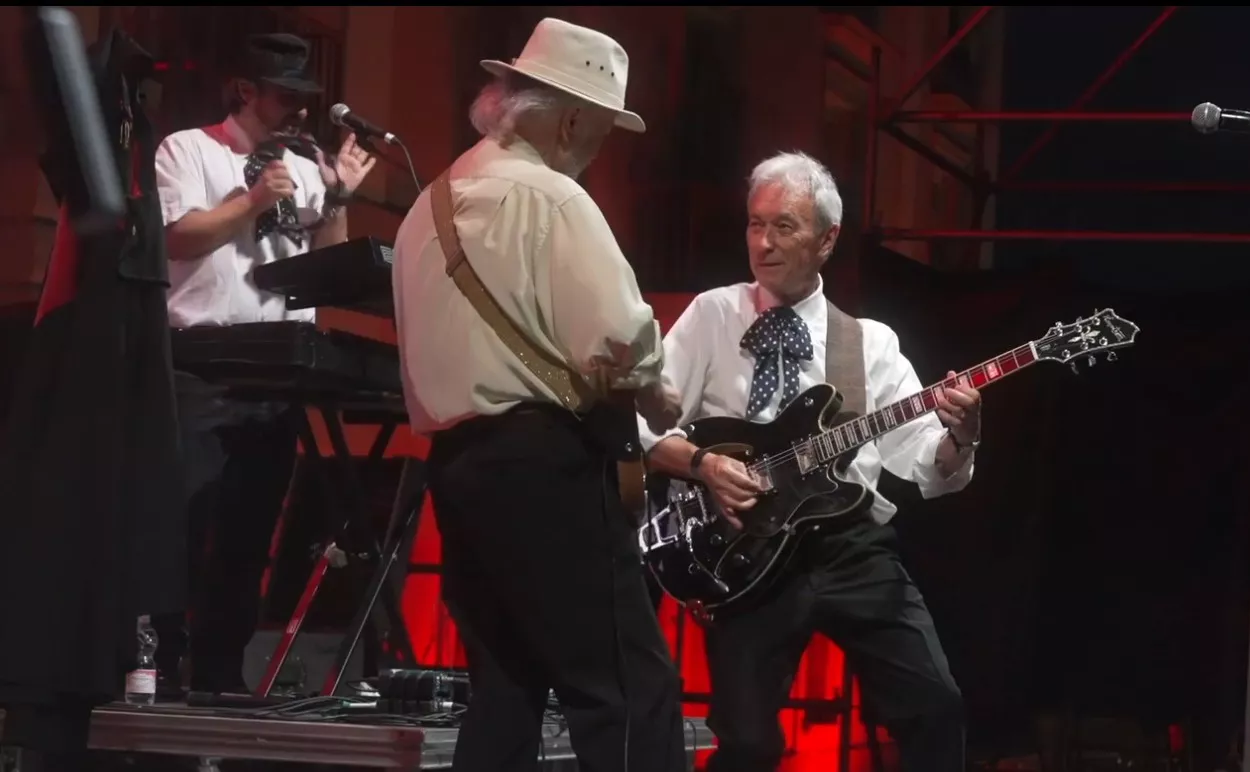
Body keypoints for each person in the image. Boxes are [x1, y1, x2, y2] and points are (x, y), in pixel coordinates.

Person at [391, 18, 687, 772]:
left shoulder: (425, 207)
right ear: (572, 119)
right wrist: (662, 399)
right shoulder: (554, 200)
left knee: (504, 691)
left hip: (455, 469)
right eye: (601, 131)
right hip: (545, 467)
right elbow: (621, 342)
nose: (597, 149)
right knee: (623, 688)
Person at [641, 151, 982, 771]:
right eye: (754, 224)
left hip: (852, 549)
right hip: (745, 551)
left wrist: (963, 436)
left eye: (784, 227)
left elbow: (929, 466)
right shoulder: (714, 314)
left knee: (937, 707)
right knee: (746, 743)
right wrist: (702, 466)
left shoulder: (869, 342)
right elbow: (637, 424)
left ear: (827, 240)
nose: (763, 243)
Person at [151, 32, 376, 695]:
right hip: (203, 364)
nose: (300, 112)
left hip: (278, 371)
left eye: (305, 97)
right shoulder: (188, 149)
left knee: (249, 537)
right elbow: (177, 236)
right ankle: (159, 671)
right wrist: (250, 202)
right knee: (187, 527)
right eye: (286, 96)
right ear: (245, 92)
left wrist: (336, 200)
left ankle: (220, 675)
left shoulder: (304, 166)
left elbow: (326, 265)